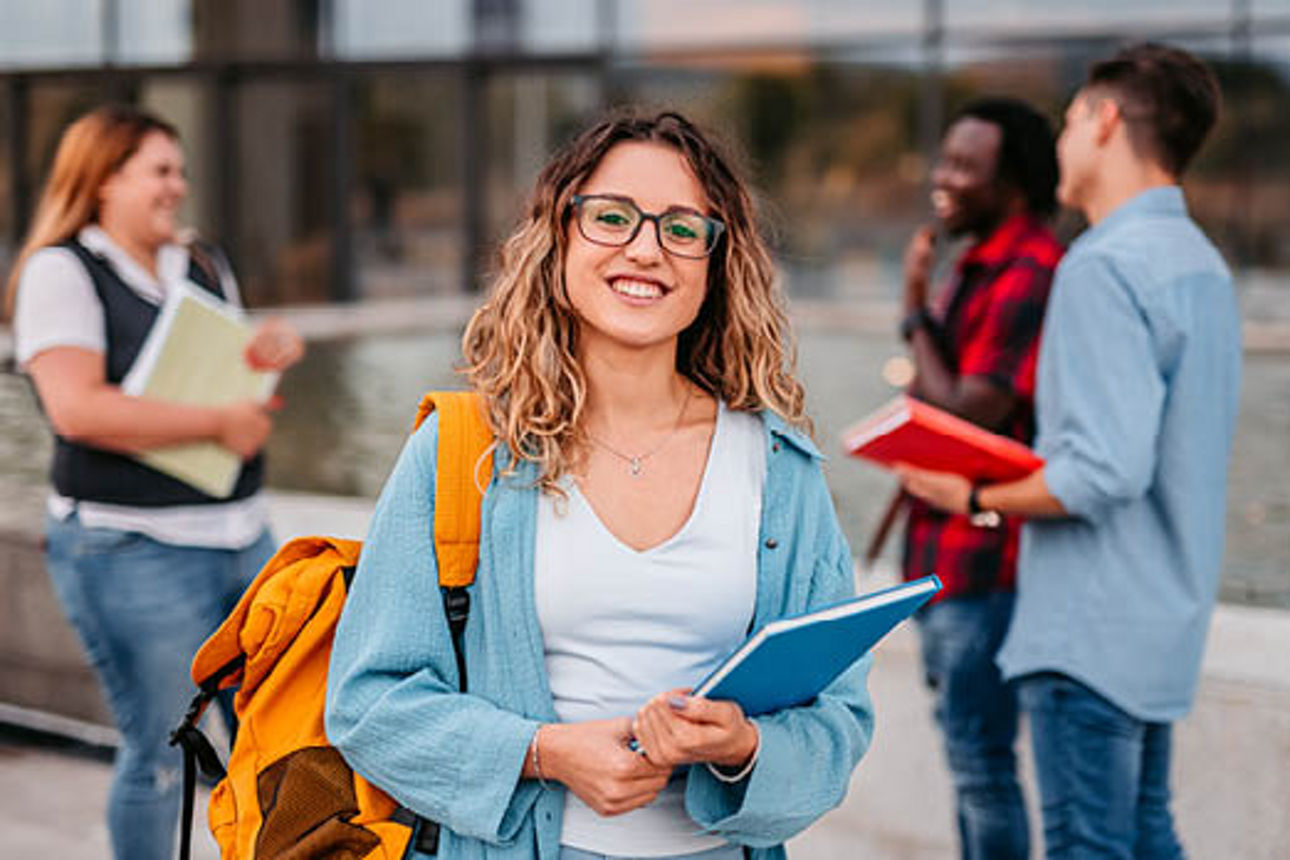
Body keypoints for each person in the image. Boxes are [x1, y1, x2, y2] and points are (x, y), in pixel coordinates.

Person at [325, 110, 874, 860]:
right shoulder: (463, 452)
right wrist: (544, 752)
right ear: (560, 238)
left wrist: (745, 746)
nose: (646, 249)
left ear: (716, 262)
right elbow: (367, 705)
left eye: (682, 228)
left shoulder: (780, 470)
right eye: (612, 218)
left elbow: (838, 719)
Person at [899, 43, 1240, 859]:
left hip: (1086, 631)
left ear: (1105, 120)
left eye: (1069, 122)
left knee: (1089, 844)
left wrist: (970, 497)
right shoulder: (1202, 266)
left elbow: (1101, 471)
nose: (1060, 143)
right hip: (1163, 624)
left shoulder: (1102, 266)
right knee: (1146, 835)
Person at [5, 104, 304, 860]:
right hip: (132, 549)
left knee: (278, 744)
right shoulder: (61, 271)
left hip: (244, 538)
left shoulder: (201, 262)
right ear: (102, 179)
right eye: (160, 171)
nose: (179, 185)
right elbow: (77, 410)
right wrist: (217, 425)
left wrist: (264, 353)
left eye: (181, 170)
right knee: (164, 753)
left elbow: (227, 373)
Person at [898, 96, 1062, 860]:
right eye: (945, 158)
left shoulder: (1027, 271)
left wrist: (913, 315)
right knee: (970, 762)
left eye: (966, 166)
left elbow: (970, 412)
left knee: (981, 765)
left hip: (985, 563)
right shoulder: (978, 266)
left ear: (1014, 182)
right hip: (948, 556)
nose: (944, 177)